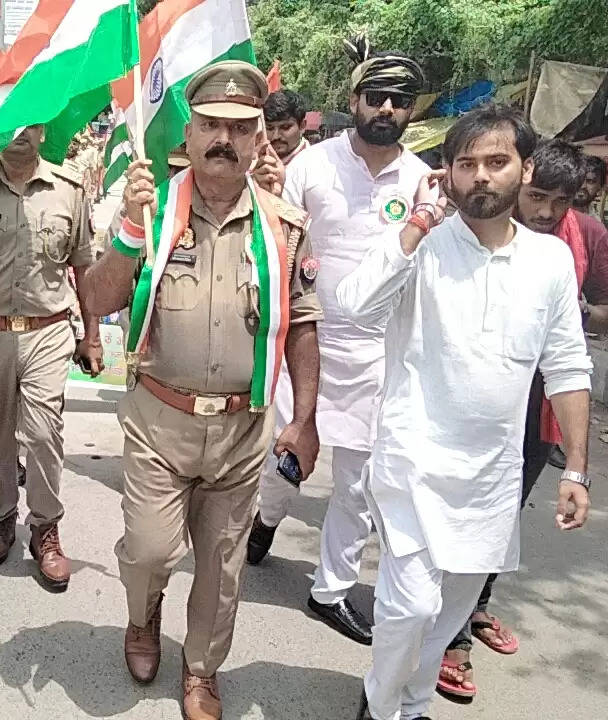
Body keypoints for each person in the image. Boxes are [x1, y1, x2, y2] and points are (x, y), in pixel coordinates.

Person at [83, 61, 323, 720]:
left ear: (258, 140)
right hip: (161, 419)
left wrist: (304, 418)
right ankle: (142, 615)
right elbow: (98, 298)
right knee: (150, 551)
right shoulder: (150, 210)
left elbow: (301, 325)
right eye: (212, 125)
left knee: (222, 566)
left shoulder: (284, 224)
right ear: (188, 134)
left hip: (243, 430)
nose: (225, 138)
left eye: (240, 128)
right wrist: (129, 235)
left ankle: (201, 669)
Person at [338, 104, 594, 720]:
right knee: (410, 607)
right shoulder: (421, 244)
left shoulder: (550, 261)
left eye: (496, 162)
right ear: (448, 173)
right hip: (412, 464)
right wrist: (418, 223)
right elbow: (354, 309)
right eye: (466, 163)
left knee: (452, 610)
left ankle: (413, 702)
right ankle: (379, 703)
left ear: (523, 169)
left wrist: (576, 469)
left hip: (491, 478)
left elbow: (567, 365)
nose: (481, 175)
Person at [247, 37, 431, 649]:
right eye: (375, 96)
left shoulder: (422, 180)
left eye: (398, 100)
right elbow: (277, 243)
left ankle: (330, 590)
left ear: (412, 110)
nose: (386, 108)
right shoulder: (313, 165)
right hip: (307, 339)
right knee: (287, 461)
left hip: (381, 352)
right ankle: (265, 523)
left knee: (358, 481)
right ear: (353, 100)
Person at [437, 139, 608, 700]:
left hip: (538, 407)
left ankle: (465, 624)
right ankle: (436, 628)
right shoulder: (471, 229)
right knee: (450, 511)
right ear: (523, 179)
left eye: (559, 202)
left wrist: (569, 310)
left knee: (501, 512)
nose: (544, 213)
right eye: (537, 196)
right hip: (466, 400)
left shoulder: (583, 239)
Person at [0, 124, 102, 591]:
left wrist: (91, 336)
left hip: (47, 331)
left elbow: (83, 269)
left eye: (31, 123)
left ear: (43, 131)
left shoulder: (68, 190)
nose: (21, 131)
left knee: (41, 434)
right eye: (13, 121)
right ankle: (0, 520)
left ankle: (45, 529)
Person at [263, 89, 311, 167]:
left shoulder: (315, 165)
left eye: (285, 127)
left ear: (302, 126)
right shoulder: (253, 163)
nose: (276, 136)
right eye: (270, 128)